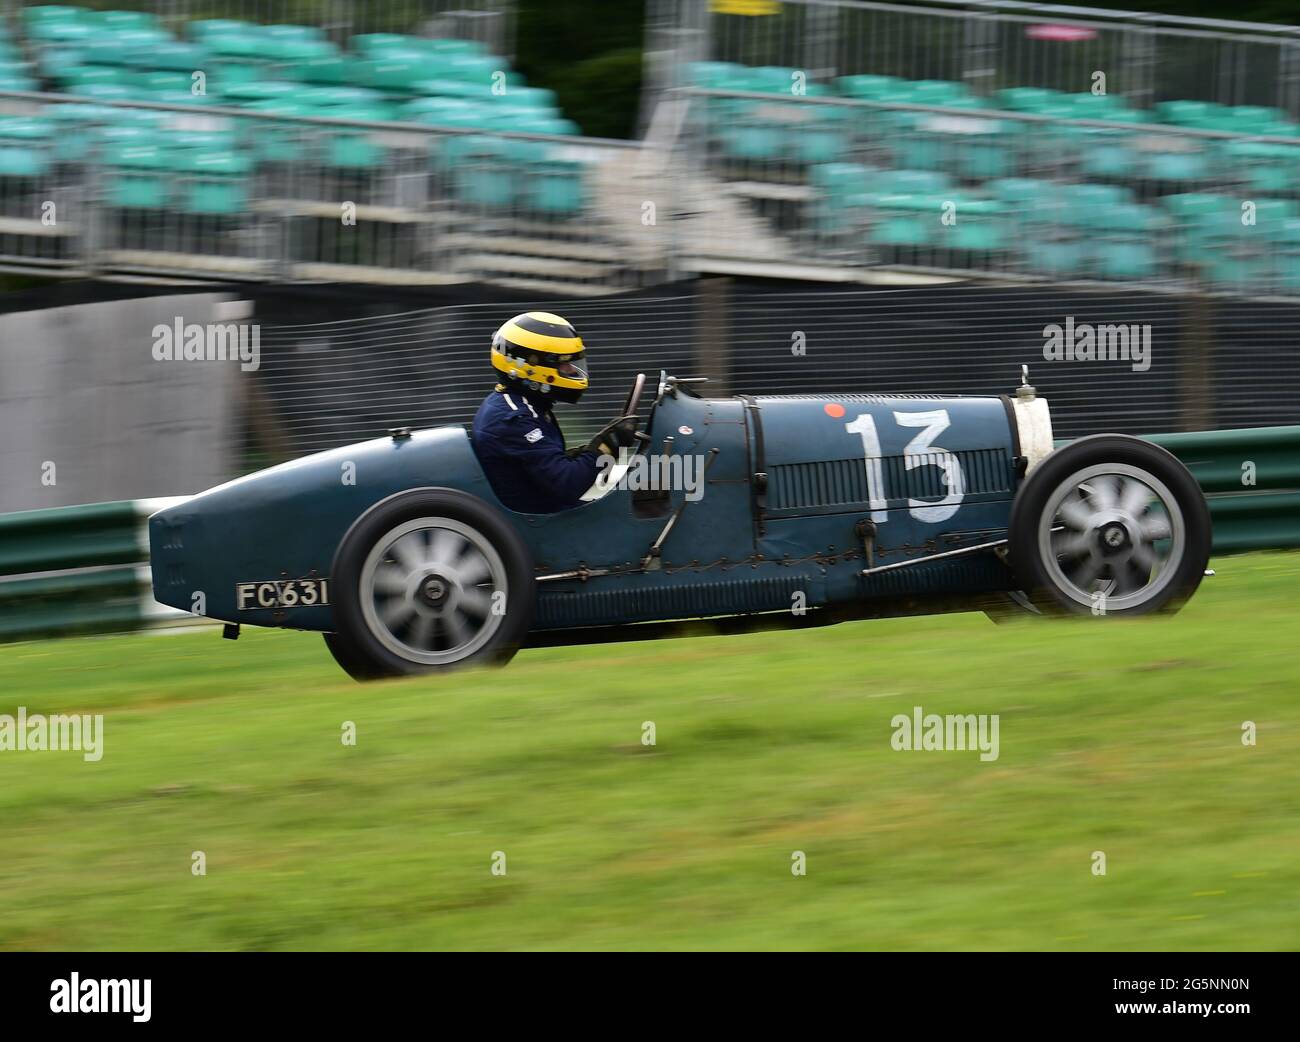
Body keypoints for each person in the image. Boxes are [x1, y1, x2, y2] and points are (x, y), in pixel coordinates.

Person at [472, 311, 637, 513]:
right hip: (542, 525)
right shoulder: (515, 419)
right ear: (531, 366)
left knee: (638, 486)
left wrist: (589, 453)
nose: (571, 370)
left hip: (547, 507)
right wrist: (607, 447)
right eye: (562, 363)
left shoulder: (519, 405)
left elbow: (546, 466)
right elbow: (567, 485)